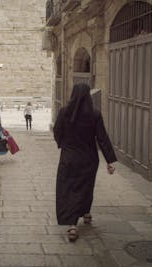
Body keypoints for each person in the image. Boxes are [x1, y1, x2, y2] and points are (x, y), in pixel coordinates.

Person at [53, 83, 117, 242]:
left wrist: (63, 145)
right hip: (89, 159)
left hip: (69, 158)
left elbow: (57, 132)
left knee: (69, 189)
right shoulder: (94, 114)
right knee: (86, 188)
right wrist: (110, 160)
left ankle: (72, 224)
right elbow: (102, 138)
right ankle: (85, 213)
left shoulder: (64, 112)